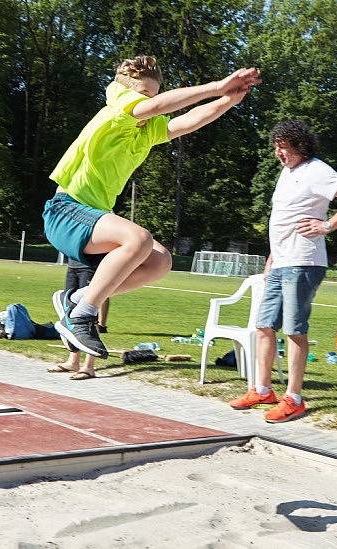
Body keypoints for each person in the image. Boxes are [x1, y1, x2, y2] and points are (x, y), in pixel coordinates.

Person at [43, 55, 261, 358]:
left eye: (154, 94)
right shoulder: (118, 107)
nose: (150, 102)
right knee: (139, 239)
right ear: (127, 91)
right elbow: (157, 107)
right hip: (65, 210)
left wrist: (226, 100)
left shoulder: (144, 131)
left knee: (159, 261)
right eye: (144, 95)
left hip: (91, 217)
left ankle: (77, 299)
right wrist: (217, 86)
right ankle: (82, 316)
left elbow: (184, 123)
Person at [228, 120, 337, 422]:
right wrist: (272, 255)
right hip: (281, 262)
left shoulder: (318, 170)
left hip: (303, 263)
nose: (278, 152)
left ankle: (294, 398)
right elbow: (284, 218)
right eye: (276, 146)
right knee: (264, 327)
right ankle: (262, 390)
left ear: (299, 145)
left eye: (283, 146)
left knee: (294, 330)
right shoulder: (287, 172)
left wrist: (326, 225)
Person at [49, 257, 109, 380]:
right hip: (73, 265)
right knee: (69, 312)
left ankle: (89, 367)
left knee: (89, 318)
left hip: (90, 267)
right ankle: (73, 362)